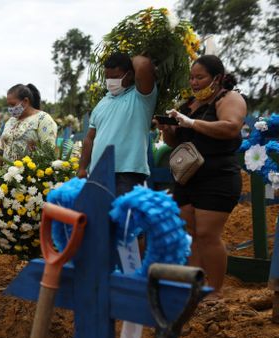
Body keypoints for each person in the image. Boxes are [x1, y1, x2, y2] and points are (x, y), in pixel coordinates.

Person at [158, 55, 247, 294]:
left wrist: (191, 123)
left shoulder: (229, 98)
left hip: (217, 177)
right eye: (192, 77)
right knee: (190, 234)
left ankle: (214, 290)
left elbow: (231, 127)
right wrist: (168, 129)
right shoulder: (189, 105)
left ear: (216, 78)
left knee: (208, 235)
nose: (194, 82)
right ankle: (193, 285)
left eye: (200, 77)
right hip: (187, 178)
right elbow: (174, 141)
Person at [78, 52, 157, 195]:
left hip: (127, 174)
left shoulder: (142, 97)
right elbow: (90, 138)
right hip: (98, 173)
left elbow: (144, 64)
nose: (110, 81)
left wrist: (128, 58)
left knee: (121, 217)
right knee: (98, 217)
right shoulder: (102, 102)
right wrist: (82, 168)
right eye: (107, 77)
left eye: (114, 77)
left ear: (130, 75)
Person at [0, 84, 58, 168]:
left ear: (25, 101)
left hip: (30, 177)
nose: (10, 108)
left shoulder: (43, 119)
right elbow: (0, 149)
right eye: (8, 105)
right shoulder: (10, 121)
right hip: (5, 177)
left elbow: (48, 154)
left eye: (12, 105)